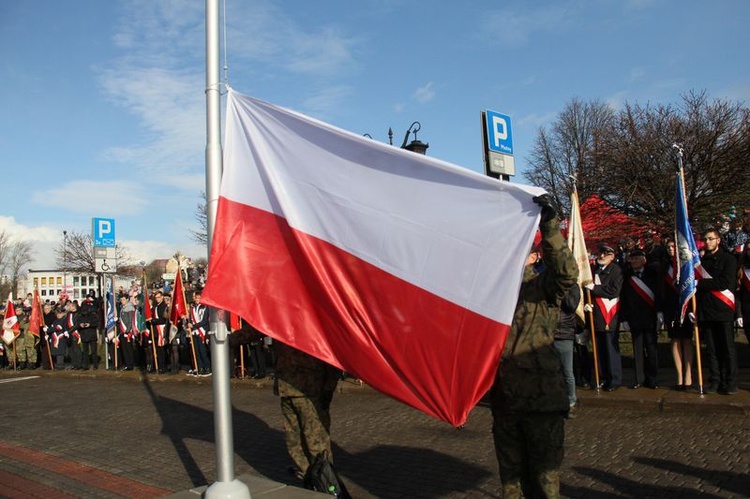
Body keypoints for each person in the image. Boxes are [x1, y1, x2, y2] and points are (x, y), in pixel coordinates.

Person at [490, 194, 578, 499]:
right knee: (511, 484)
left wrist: (550, 225)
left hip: (541, 402)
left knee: (545, 482)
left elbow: (567, 273)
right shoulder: (491, 291)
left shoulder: (541, 287)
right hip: (505, 402)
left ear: (533, 257)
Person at [274, 340, 341, 480]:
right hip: (287, 389)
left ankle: (326, 483)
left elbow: (332, 356)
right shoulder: (281, 320)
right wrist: (223, 339)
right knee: (293, 440)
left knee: (316, 443)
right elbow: (258, 328)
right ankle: (309, 477)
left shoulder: (313, 322)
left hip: (310, 392)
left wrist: (328, 389)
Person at [696, 229, 738, 395]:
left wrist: (701, 284)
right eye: (705, 239)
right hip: (706, 311)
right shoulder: (701, 261)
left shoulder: (728, 259)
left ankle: (730, 382)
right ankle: (715, 380)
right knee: (711, 350)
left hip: (723, 310)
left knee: (727, 349)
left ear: (718, 240)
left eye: (711, 239)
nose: (708, 242)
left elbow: (725, 282)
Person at [619, 248, 661, 389]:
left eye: (637, 258)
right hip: (634, 318)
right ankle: (639, 378)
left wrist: (659, 312)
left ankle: (653, 379)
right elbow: (623, 298)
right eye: (632, 258)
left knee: (651, 349)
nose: (635, 261)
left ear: (644, 260)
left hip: (650, 317)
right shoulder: (627, 276)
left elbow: (658, 294)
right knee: (637, 350)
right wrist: (624, 319)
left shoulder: (652, 274)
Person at [584, 243, 624, 391]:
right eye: (600, 253)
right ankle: (602, 377)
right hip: (596, 314)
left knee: (610, 348)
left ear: (612, 256)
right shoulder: (594, 270)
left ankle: (614, 379)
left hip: (609, 315)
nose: (601, 256)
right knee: (599, 348)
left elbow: (614, 290)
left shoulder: (616, 271)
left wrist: (595, 289)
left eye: (606, 254)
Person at [660, 238, 694, 390]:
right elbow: (659, 289)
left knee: (686, 340)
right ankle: (679, 375)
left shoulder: (687, 265)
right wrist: (660, 310)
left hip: (686, 307)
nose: (671, 249)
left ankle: (688, 375)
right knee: (674, 340)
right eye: (668, 247)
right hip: (670, 308)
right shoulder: (664, 266)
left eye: (674, 246)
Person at [554, 284, 581, 412]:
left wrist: (562, 289)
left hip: (564, 333)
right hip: (550, 333)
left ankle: (571, 399)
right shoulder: (549, 284)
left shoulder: (573, 287)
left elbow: (571, 305)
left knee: (567, 370)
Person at [186, 290, 211, 376]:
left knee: (202, 351)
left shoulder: (205, 307)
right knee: (196, 352)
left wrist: (194, 325)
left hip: (202, 331)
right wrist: (189, 324)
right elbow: (190, 319)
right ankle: (200, 367)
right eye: (196, 298)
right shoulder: (192, 308)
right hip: (195, 332)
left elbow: (204, 321)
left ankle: (207, 367)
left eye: (199, 298)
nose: (197, 299)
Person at [78, 294, 100, 370]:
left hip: (92, 335)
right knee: (85, 352)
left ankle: (95, 365)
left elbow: (96, 324)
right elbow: (77, 324)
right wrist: (80, 325)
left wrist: (89, 325)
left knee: (94, 352)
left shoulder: (93, 316)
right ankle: (85, 365)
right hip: (84, 336)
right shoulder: (80, 316)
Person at [736, 244, 750, 345]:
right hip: (747, 312)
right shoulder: (741, 271)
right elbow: (738, 295)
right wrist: (739, 314)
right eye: (749, 249)